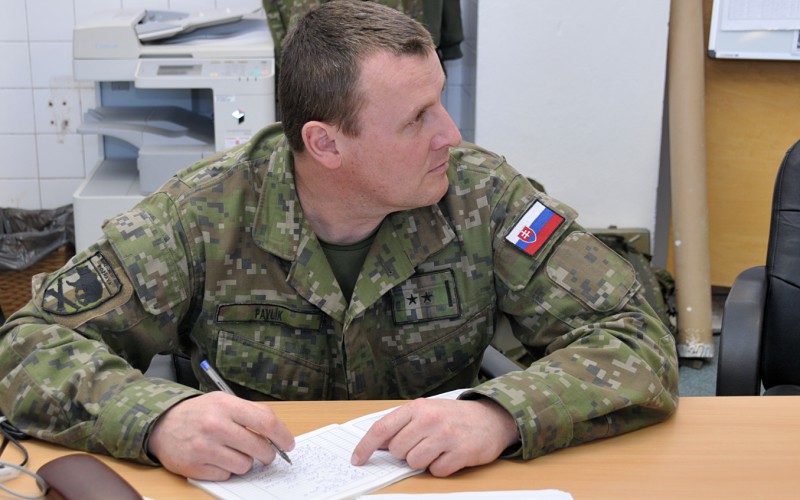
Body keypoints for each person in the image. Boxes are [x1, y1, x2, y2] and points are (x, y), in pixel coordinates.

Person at [0, 0, 679, 482]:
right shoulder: (200, 218)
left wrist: (500, 414)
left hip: (434, 483)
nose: (451, 135)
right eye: (417, 118)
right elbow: (24, 348)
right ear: (325, 143)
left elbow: (636, 336)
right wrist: (157, 419)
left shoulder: (483, 196)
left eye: (441, 101)